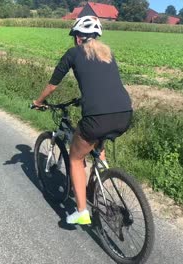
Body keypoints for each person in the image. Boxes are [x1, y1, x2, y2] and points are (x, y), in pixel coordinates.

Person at [33, 16, 133, 225]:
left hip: (97, 118)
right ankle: (97, 181)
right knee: (97, 145)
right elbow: (105, 83)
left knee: (76, 159)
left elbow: (53, 85)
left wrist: (39, 101)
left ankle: (81, 212)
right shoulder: (108, 53)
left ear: (78, 38)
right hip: (124, 113)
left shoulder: (73, 53)